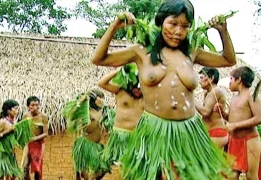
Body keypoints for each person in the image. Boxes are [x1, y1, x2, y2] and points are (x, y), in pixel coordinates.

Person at [91, 0, 236, 179]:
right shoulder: (141, 51)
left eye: (185, 26)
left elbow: (228, 60)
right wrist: (114, 27)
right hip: (154, 127)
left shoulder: (192, 52)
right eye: (173, 23)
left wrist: (223, 31)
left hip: (188, 129)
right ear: (161, 21)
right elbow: (99, 58)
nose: (178, 31)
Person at [215, 66, 261, 180]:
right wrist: (222, 112)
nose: (229, 82)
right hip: (235, 141)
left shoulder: (252, 96)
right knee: (231, 176)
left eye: (231, 79)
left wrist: (234, 125)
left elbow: (259, 118)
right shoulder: (234, 98)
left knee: (251, 176)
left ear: (239, 80)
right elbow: (232, 120)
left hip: (249, 140)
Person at [98, 66, 144, 166]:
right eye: (136, 88)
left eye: (140, 89)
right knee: (125, 167)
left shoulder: (147, 95)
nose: (138, 91)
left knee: (138, 167)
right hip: (121, 135)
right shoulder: (120, 91)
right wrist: (119, 70)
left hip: (139, 137)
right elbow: (102, 83)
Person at [68, 89, 111, 180]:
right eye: (101, 98)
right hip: (84, 145)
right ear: (93, 98)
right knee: (83, 174)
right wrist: (82, 99)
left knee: (103, 168)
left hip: (96, 146)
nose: (103, 101)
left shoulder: (102, 111)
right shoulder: (86, 111)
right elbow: (72, 113)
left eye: (103, 98)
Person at [195, 67, 228, 149]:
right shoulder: (208, 92)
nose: (200, 81)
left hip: (216, 133)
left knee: (209, 161)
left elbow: (205, 112)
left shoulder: (216, 91)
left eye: (202, 78)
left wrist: (192, 99)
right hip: (209, 132)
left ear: (211, 78)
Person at [0, 99, 19, 180]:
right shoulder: (3, 122)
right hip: (2, 153)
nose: (17, 111)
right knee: (2, 176)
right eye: (15, 109)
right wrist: (7, 131)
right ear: (8, 110)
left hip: (11, 153)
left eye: (18, 109)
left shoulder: (14, 121)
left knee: (13, 175)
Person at [21, 96, 48, 180]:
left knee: (37, 169)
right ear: (28, 106)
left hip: (39, 145)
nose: (35, 107)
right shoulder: (25, 116)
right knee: (24, 168)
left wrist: (35, 138)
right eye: (32, 105)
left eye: (37, 105)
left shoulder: (43, 116)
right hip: (28, 144)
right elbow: (23, 129)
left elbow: (46, 133)